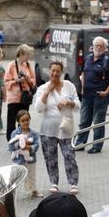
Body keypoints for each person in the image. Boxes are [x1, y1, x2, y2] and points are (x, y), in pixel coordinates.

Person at [34, 61, 80, 195]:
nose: (55, 73)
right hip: (48, 130)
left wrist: (69, 103)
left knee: (69, 155)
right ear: (49, 71)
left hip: (66, 128)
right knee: (50, 157)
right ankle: (53, 182)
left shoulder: (69, 86)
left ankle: (73, 183)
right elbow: (38, 109)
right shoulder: (43, 88)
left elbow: (78, 105)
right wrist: (47, 92)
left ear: (61, 72)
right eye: (53, 71)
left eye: (57, 71)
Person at [75, 37, 109, 153]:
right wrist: (83, 88)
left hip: (100, 97)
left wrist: (107, 92)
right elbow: (82, 73)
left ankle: (96, 146)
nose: (99, 47)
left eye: (101, 46)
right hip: (87, 96)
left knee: (98, 122)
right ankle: (80, 144)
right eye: (97, 45)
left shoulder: (106, 61)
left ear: (105, 48)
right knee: (84, 121)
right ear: (93, 47)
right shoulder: (87, 58)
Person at [4, 44, 37, 145]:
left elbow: (33, 81)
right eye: (27, 54)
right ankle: (11, 142)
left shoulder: (28, 65)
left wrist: (26, 78)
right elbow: (6, 81)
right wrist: (16, 80)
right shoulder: (11, 65)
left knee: (23, 121)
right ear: (21, 54)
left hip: (24, 98)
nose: (29, 57)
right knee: (11, 122)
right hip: (13, 98)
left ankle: (21, 141)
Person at [8, 110, 41, 198]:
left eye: (27, 120)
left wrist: (29, 147)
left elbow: (37, 145)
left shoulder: (34, 133)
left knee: (31, 175)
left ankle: (32, 190)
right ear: (18, 122)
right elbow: (11, 146)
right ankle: (11, 192)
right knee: (16, 176)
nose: (26, 122)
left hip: (31, 159)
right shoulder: (15, 133)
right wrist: (19, 146)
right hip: (19, 159)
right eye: (23, 121)